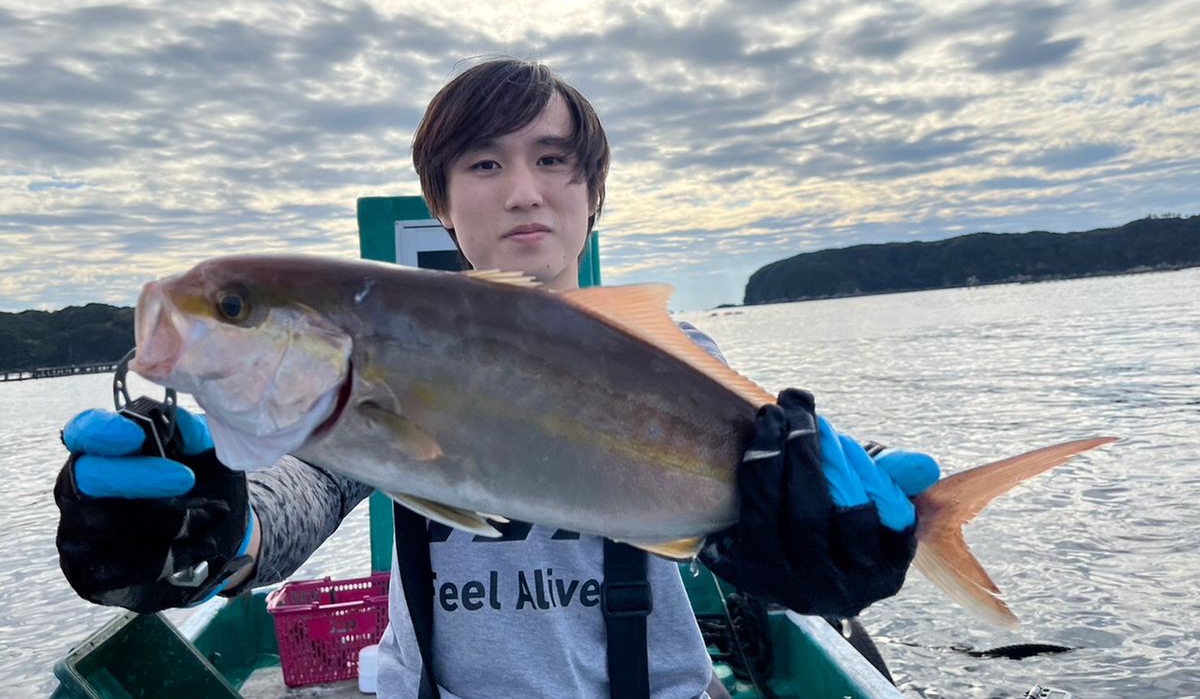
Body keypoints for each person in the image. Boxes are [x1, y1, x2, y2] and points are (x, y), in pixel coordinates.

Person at [55, 59, 939, 698]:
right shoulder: (367, 370)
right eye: (484, 163)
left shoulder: (679, 355)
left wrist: (837, 536)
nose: (524, 191)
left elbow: (762, 484)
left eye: (553, 161)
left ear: (592, 195)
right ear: (441, 204)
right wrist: (193, 533)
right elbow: (285, 507)